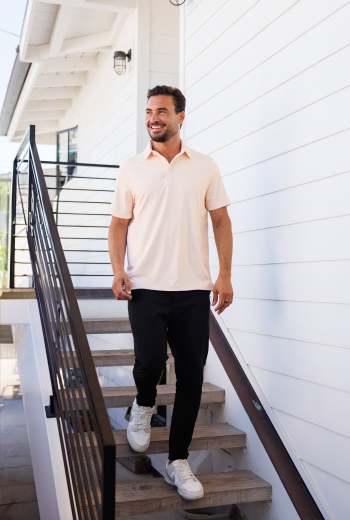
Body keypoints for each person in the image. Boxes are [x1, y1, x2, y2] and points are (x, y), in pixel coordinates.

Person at [108, 85, 233, 501]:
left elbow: (221, 221)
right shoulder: (131, 168)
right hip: (145, 287)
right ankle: (143, 406)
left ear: (180, 116)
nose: (153, 118)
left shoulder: (205, 167)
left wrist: (225, 274)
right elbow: (118, 225)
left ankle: (177, 460)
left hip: (193, 290)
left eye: (161, 111)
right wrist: (118, 270)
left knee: (192, 377)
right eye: (149, 111)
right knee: (148, 363)